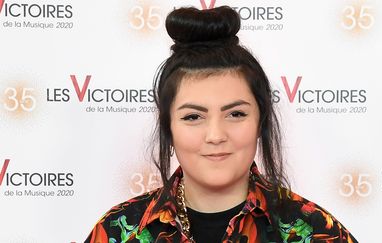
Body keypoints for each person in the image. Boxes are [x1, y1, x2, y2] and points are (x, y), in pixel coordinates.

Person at [85, 6, 358, 243]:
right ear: (169, 128)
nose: (215, 135)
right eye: (193, 117)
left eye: (236, 114)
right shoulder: (119, 232)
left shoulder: (316, 231)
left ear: (260, 121)